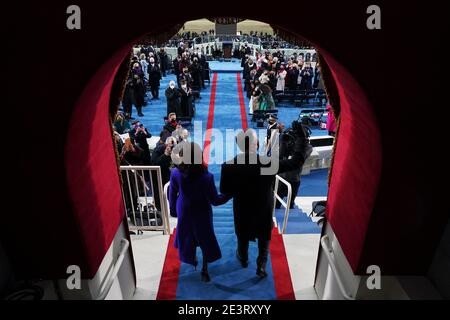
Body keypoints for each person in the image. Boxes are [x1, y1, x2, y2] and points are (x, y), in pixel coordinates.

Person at [220, 124, 310, 278]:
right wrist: (301, 139)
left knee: (242, 236)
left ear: (239, 145)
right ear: (257, 144)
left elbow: (224, 190)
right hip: (263, 209)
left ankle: (243, 258)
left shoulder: (228, 166)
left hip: (242, 210)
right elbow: (296, 162)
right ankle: (261, 265)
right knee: (264, 237)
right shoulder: (268, 163)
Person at [169, 142, 229, 282]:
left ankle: (192, 258)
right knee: (205, 238)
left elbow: (172, 194)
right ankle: (205, 269)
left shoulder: (175, 173)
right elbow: (215, 200)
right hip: (201, 211)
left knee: (187, 235)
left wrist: (173, 210)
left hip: (183, 209)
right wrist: (229, 195)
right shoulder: (207, 177)